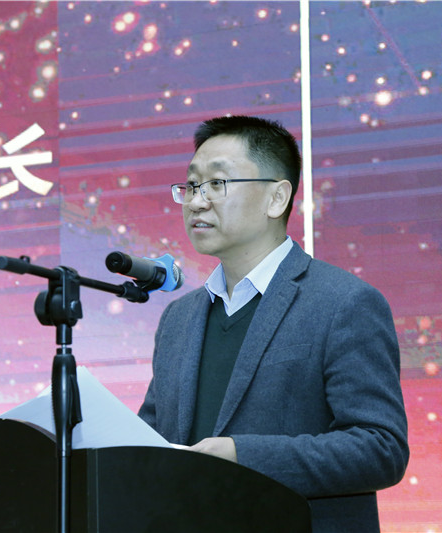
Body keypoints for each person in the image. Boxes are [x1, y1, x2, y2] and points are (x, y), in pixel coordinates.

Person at [138, 115, 408, 532]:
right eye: (191, 185)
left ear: (277, 198)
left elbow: (380, 448)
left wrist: (243, 456)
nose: (196, 202)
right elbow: (152, 442)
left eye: (216, 183)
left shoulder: (343, 303)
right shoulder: (179, 317)